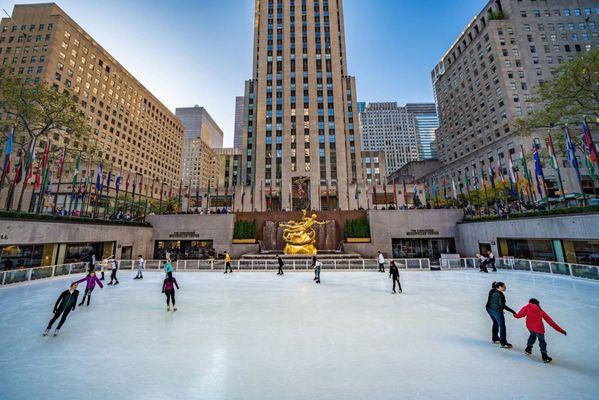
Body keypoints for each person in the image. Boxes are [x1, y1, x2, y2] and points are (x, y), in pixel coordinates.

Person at [514, 298, 567, 363]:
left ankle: (528, 349)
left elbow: (519, 315)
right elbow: (551, 322)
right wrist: (561, 330)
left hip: (530, 327)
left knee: (532, 336)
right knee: (542, 341)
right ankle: (544, 356)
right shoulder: (541, 311)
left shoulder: (526, 307)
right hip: (539, 329)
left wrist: (515, 315)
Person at [485, 281, 516, 348]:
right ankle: (503, 343)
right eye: (504, 287)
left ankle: (495, 338)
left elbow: (493, 290)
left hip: (489, 309)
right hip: (496, 311)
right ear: (499, 287)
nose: (505, 288)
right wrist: (513, 311)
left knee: (495, 323)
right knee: (502, 326)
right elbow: (503, 306)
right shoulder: (501, 295)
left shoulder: (492, 290)